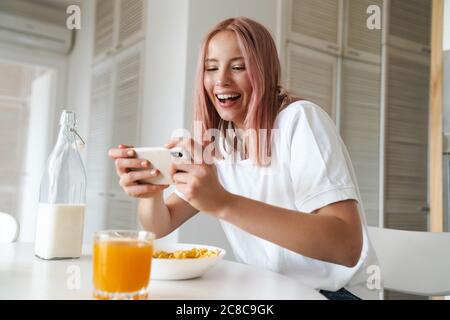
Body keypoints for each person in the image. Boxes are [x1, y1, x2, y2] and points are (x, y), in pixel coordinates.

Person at [109, 17, 380, 300]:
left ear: (265, 71)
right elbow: (160, 225)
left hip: (335, 294)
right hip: (271, 292)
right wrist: (152, 193)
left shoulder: (300, 120)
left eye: (238, 67)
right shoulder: (219, 143)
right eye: (211, 68)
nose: (221, 80)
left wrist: (223, 202)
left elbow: (347, 246)